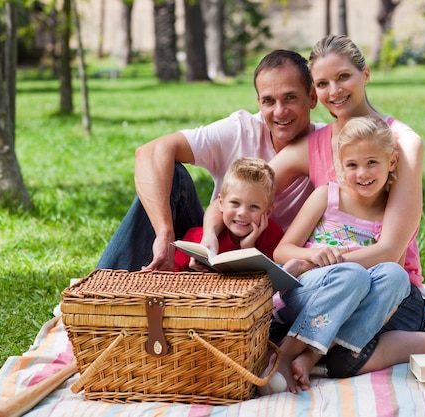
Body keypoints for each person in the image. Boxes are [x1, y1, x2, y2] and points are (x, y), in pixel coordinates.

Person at [259, 34, 425, 381]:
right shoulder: (314, 145)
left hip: (388, 293)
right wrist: (213, 226)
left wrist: (321, 263)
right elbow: (252, 185)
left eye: (343, 77)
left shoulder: (404, 144)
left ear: (365, 74)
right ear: (315, 93)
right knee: (344, 347)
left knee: (359, 326)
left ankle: (332, 348)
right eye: (322, 83)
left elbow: (391, 250)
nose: (334, 90)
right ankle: (389, 346)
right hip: (326, 287)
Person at [96, 49, 322, 272]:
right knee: (171, 174)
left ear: (312, 98)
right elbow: (150, 152)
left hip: (274, 256)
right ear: (258, 102)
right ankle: (99, 290)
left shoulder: (330, 144)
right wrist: (165, 233)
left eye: (290, 98)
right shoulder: (241, 129)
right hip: (216, 243)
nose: (280, 111)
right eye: (269, 101)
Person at [270, 115, 417, 393]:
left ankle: (311, 355)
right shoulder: (327, 196)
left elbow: (393, 280)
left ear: (392, 162)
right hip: (309, 290)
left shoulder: (391, 212)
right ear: (340, 165)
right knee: (351, 274)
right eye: (352, 165)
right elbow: (281, 251)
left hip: (353, 301)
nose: (362, 173)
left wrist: (380, 306)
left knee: (395, 276)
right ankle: (284, 355)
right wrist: (314, 257)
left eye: (372, 162)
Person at [174, 157, 283, 271]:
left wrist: (248, 249)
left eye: (254, 207)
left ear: (268, 212)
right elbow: (170, 276)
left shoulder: (273, 237)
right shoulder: (197, 239)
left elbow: (270, 281)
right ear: (221, 203)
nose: (242, 213)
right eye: (235, 203)